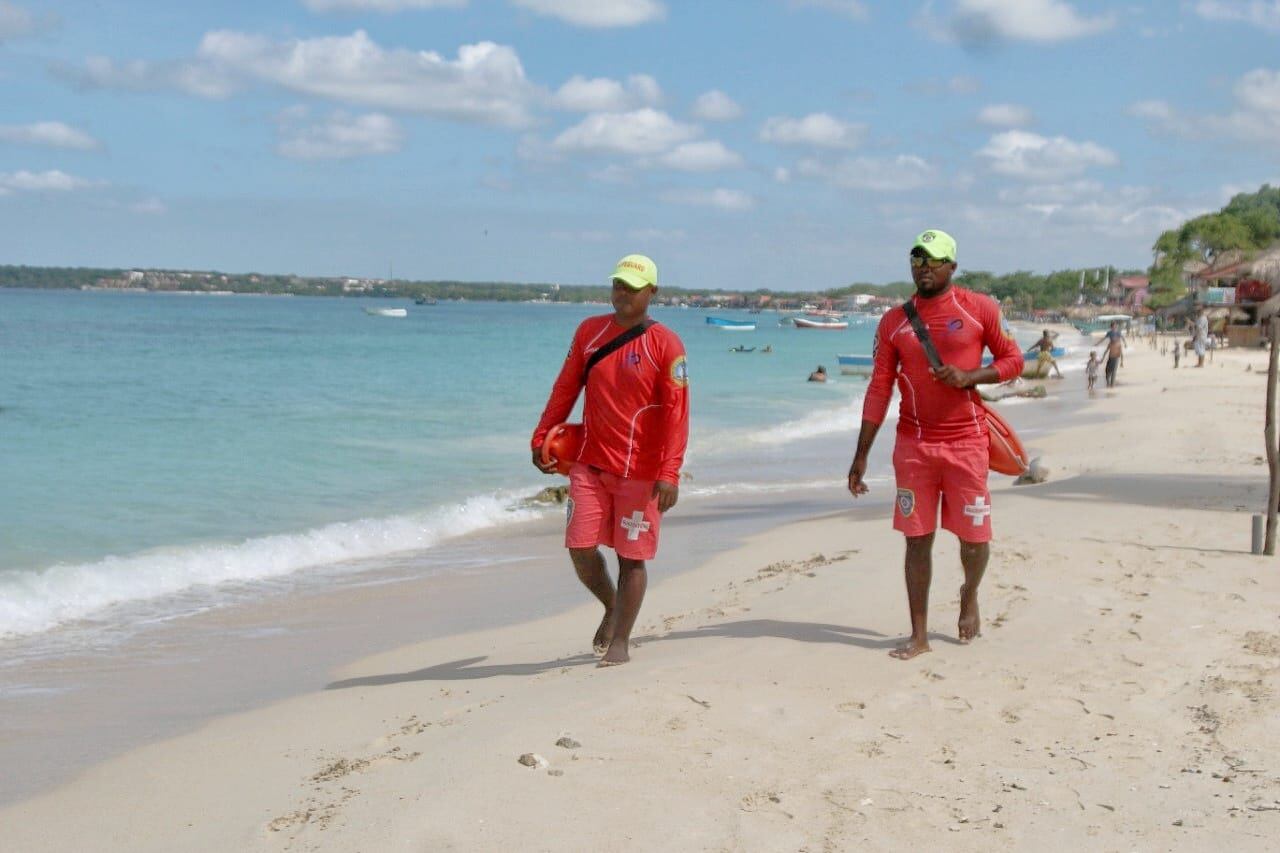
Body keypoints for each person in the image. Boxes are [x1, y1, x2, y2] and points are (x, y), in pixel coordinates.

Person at [846, 229, 1023, 660]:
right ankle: (919, 634)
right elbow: (879, 387)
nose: (924, 268)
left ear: (952, 267)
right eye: (917, 260)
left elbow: (1013, 361)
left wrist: (970, 377)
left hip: (966, 442)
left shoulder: (979, 308)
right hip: (914, 445)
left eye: (933, 261)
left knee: (974, 541)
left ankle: (969, 592)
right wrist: (861, 453)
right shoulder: (894, 321)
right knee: (916, 539)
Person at [531, 254, 689, 667]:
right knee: (580, 547)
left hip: (641, 471)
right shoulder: (589, 332)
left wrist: (669, 472)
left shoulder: (666, 345)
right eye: (618, 285)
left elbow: (678, 414)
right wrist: (542, 435)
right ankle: (612, 604)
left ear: (652, 293)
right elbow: (565, 388)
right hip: (590, 463)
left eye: (632, 288)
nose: (622, 294)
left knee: (630, 557)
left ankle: (620, 641)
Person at [1097, 321, 1125, 387]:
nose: (1114, 327)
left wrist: (1121, 362)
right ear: (1111, 327)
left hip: (1116, 357)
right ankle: (1108, 382)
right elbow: (1105, 350)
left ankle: (1112, 384)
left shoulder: (1118, 343)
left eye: (1115, 326)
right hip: (1110, 357)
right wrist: (1102, 359)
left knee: (1113, 371)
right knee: (1107, 370)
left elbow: (1121, 353)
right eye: (1113, 326)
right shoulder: (1110, 338)